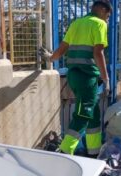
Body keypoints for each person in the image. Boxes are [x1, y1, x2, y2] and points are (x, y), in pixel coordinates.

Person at [40, 0, 111, 156]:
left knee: (93, 114)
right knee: (83, 114)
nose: (108, 19)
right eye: (108, 15)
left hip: (74, 76)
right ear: (101, 10)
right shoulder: (99, 24)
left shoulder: (77, 23)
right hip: (87, 77)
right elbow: (98, 52)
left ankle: (94, 152)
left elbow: (63, 48)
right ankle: (65, 151)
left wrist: (51, 58)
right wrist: (105, 79)